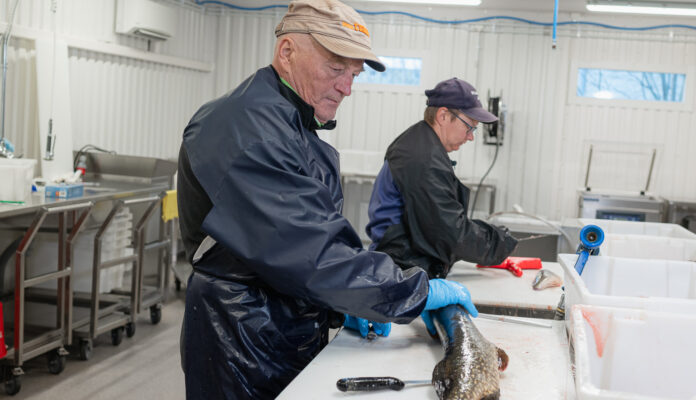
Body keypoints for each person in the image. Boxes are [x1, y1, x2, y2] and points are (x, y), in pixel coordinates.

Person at [177, 1, 479, 399]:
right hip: (243, 341)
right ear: (287, 53)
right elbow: (311, 253)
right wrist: (411, 291)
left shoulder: (289, 122)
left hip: (279, 325)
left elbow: (306, 240)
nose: (346, 87)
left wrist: (343, 305)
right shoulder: (247, 128)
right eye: (336, 69)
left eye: (352, 75)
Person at [365, 78, 519, 279]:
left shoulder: (419, 145)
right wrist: (498, 242)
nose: (471, 136)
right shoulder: (423, 159)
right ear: (443, 116)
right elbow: (449, 234)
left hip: (403, 264)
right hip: (401, 273)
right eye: (469, 126)